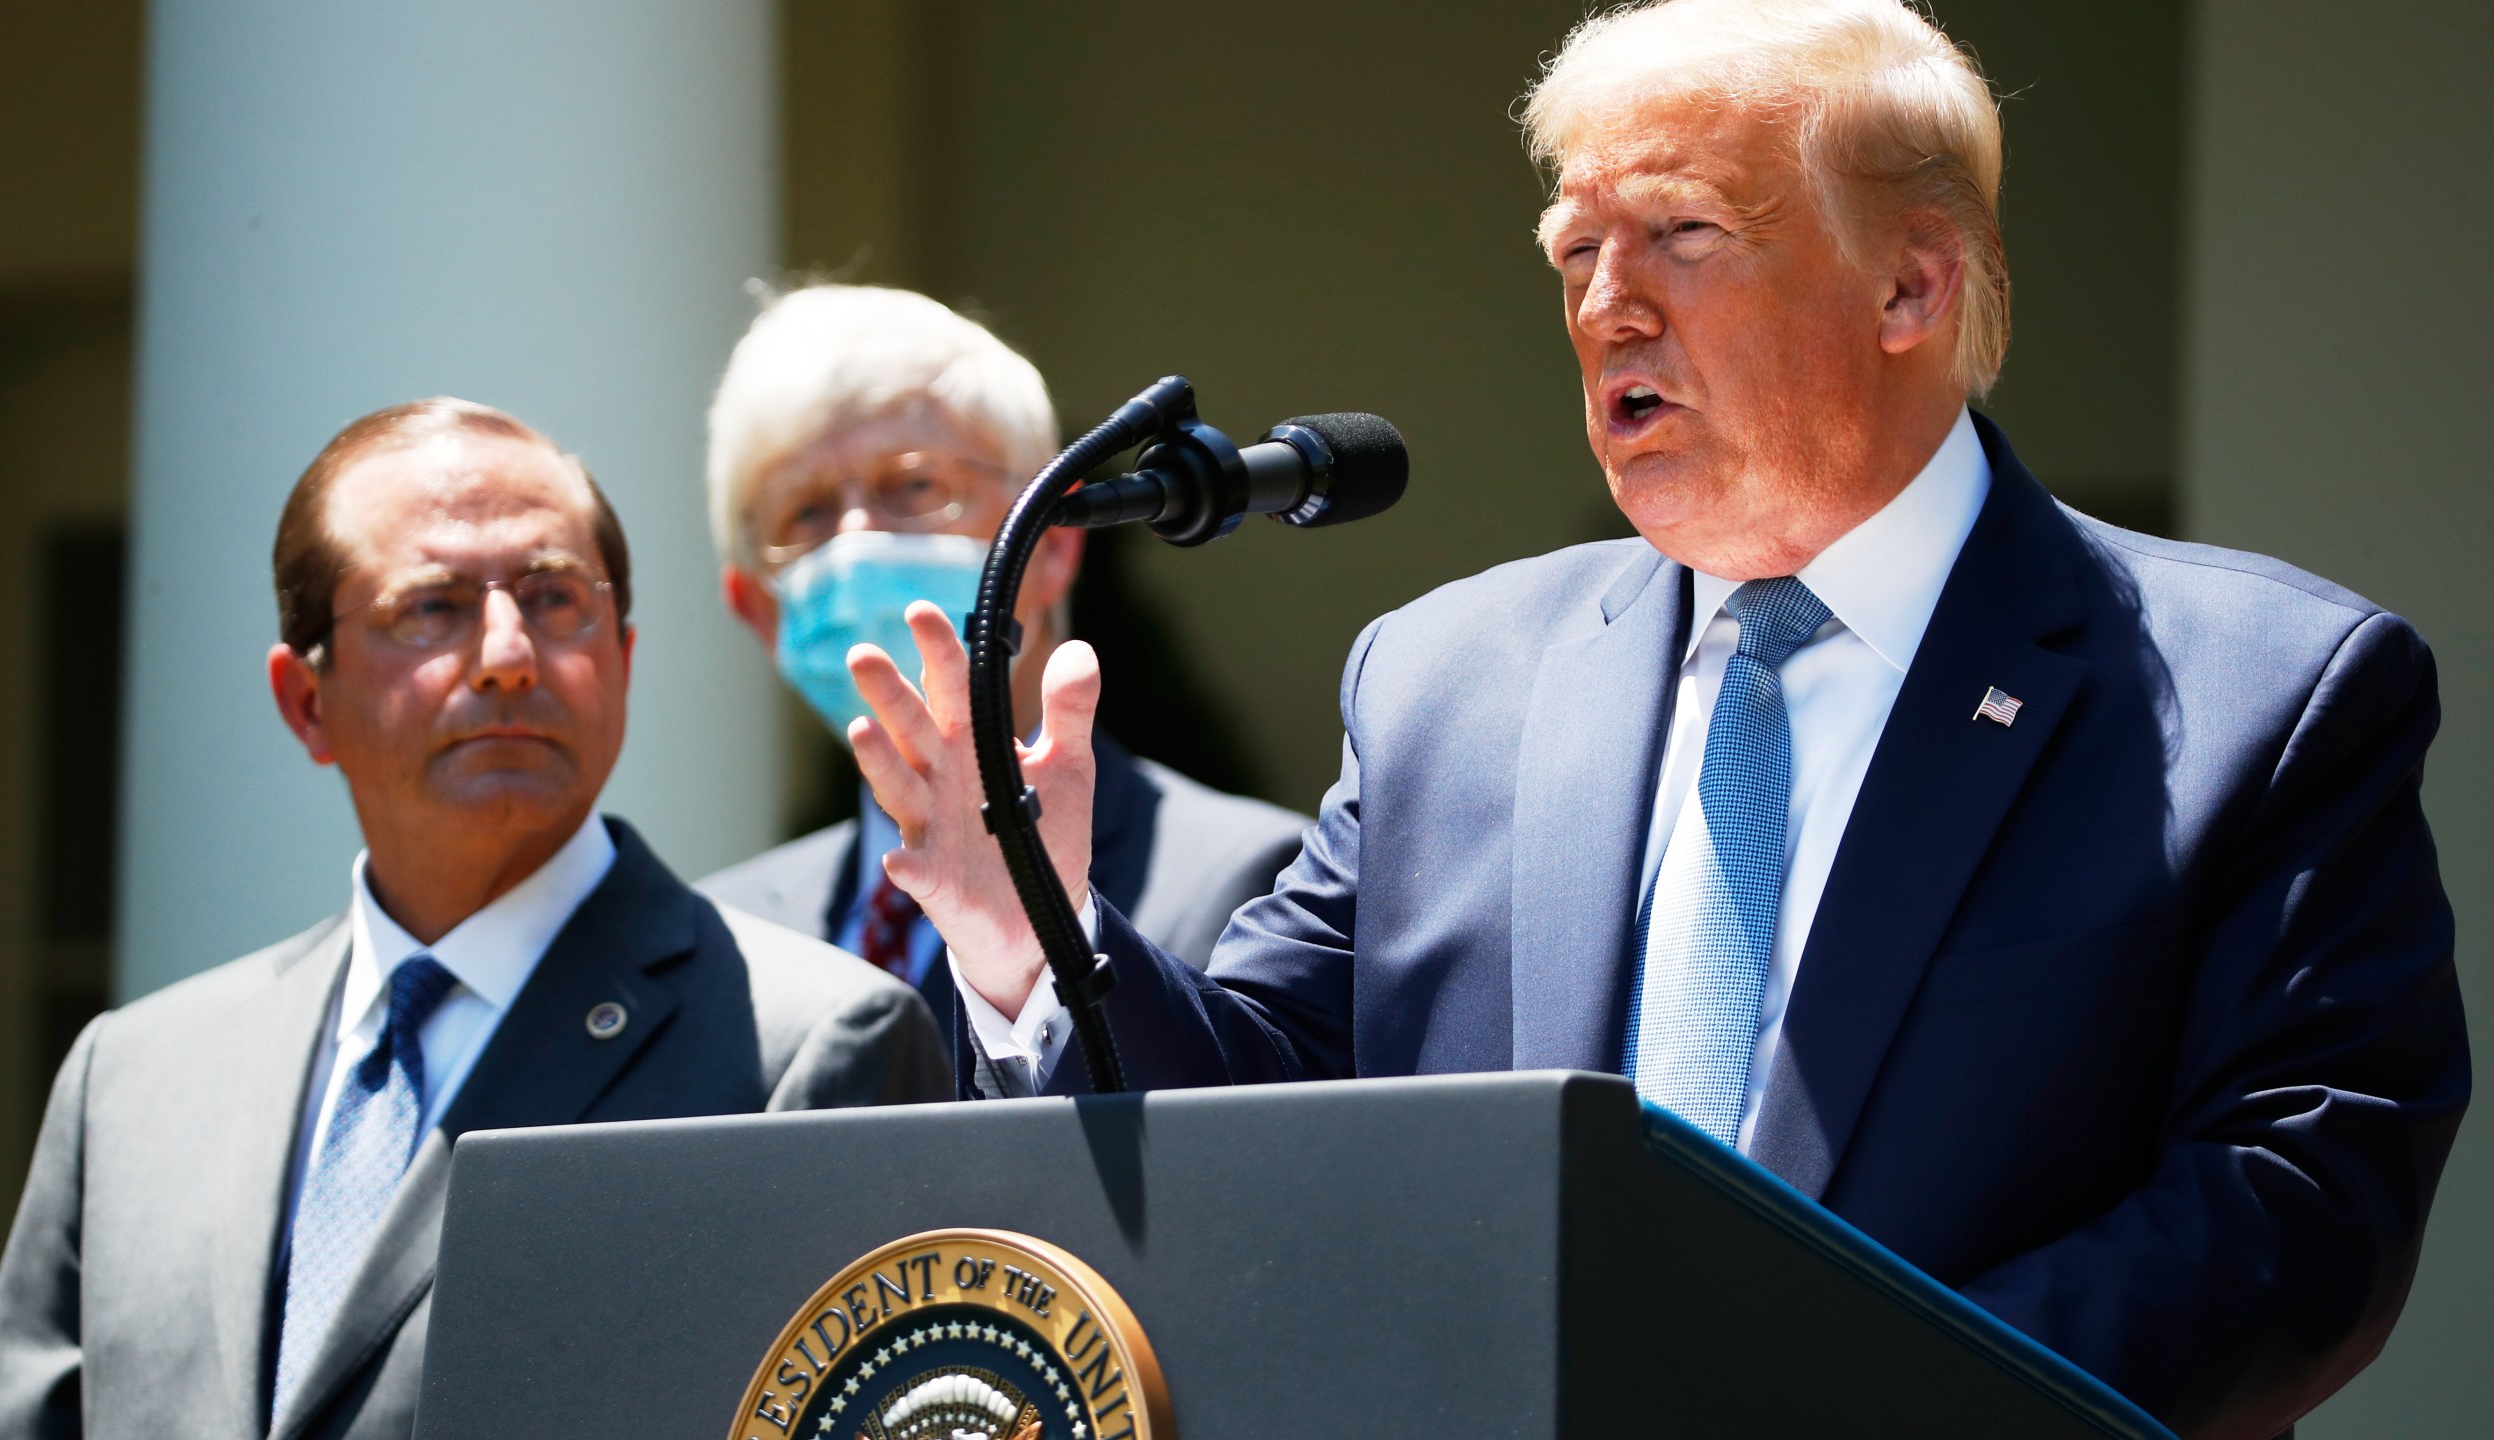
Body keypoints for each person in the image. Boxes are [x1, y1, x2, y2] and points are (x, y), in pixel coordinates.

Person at [835, 2, 2470, 1435]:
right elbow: (1262, 1124)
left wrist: (1833, 1402)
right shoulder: (1445, 683)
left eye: (1681, 234)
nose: (1605, 307)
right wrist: (1035, 940)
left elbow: (2293, 1209)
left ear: (1912, 284)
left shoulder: (2257, 693)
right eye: (1574, 253)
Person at [0, 399, 949, 1440]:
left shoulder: (805, 1052)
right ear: (306, 703)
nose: (507, 654)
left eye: (555, 596)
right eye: (431, 607)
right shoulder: (132, 1086)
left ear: (622, 656)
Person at [694, 284, 1308, 1089]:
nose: (855, 539)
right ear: (755, 609)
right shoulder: (718, 941)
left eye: (913, 487)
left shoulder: (1251, 881)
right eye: (803, 512)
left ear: (1057, 542)